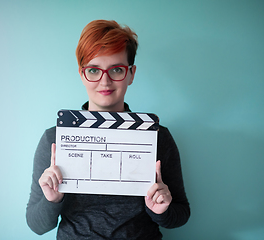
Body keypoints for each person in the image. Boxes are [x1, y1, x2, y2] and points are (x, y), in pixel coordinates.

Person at [26, 19, 190, 239]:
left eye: (116, 70)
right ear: (82, 74)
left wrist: (161, 210)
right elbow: (36, 225)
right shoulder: (54, 139)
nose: (105, 81)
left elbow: (181, 214)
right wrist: (52, 200)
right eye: (94, 70)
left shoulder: (157, 136)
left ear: (131, 74)